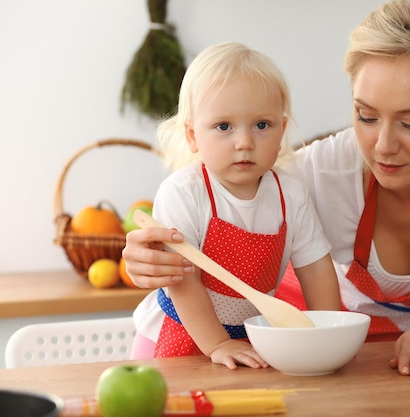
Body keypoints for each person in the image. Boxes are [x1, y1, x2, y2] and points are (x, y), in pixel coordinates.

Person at [124, 0, 410, 377]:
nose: (383, 147)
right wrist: (144, 257)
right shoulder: (317, 172)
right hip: (314, 350)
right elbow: (221, 197)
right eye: (365, 116)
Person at [128, 42, 342, 370]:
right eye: (224, 127)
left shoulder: (292, 194)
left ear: (282, 130)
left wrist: (328, 333)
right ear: (192, 136)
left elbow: (315, 269)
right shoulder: (183, 193)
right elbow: (183, 280)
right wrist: (217, 343)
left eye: (261, 125)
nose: (245, 142)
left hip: (246, 338)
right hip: (181, 331)